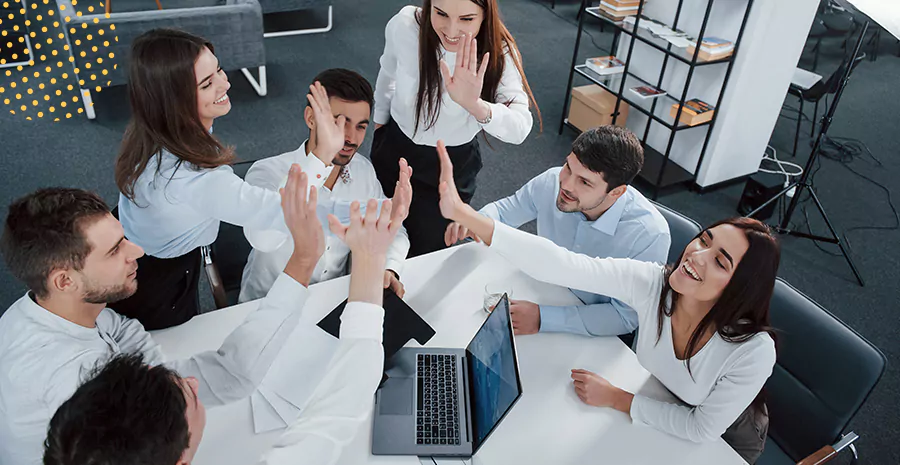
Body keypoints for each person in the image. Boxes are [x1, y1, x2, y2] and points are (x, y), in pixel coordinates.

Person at [0, 164, 412, 465]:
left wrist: (304, 258)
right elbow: (231, 381)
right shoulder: (77, 383)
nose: (138, 251)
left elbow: (217, 375)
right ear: (64, 280)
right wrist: (365, 258)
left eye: (123, 239)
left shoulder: (81, 314)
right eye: (114, 250)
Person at [436, 141, 778, 463]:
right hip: (658, 393)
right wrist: (468, 216)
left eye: (720, 262)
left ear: (740, 287)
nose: (697, 256)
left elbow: (701, 427)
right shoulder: (654, 283)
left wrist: (619, 399)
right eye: (704, 240)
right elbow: (563, 264)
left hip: (726, 434)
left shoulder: (753, 351)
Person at [111, 29, 402, 329]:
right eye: (208, 83)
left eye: (219, 69)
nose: (226, 82)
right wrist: (367, 206)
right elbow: (277, 216)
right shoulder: (192, 179)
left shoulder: (159, 129)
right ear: (175, 101)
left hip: (143, 243)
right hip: (152, 280)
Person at [445, 126, 670, 337]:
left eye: (584, 182)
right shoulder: (553, 180)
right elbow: (506, 211)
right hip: (542, 289)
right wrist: (475, 221)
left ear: (616, 192)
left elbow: (625, 316)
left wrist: (543, 318)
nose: (566, 185)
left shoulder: (649, 236)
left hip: (586, 327)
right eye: (568, 167)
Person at [372, 0, 541, 257]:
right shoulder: (406, 24)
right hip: (394, 149)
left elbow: (520, 128)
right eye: (440, 14)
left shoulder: (499, 51)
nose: (451, 30)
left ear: (485, 15)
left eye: (466, 19)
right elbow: (388, 72)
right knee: (377, 238)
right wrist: (379, 125)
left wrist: (474, 105)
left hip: (448, 168)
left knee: (424, 254)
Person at [240, 68, 410, 303]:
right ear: (311, 118)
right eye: (339, 122)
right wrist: (321, 159)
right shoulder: (266, 172)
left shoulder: (363, 171)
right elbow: (262, 239)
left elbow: (394, 231)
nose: (351, 137)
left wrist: (387, 268)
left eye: (361, 126)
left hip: (333, 304)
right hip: (267, 306)